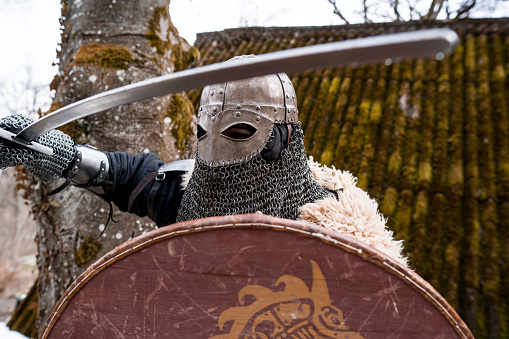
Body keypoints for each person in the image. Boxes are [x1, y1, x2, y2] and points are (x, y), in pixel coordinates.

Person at [0, 57, 407, 266]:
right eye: (202, 131)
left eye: (238, 131)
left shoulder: (343, 237)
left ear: (281, 138)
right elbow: (123, 175)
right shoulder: (186, 196)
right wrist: (53, 152)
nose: (212, 150)